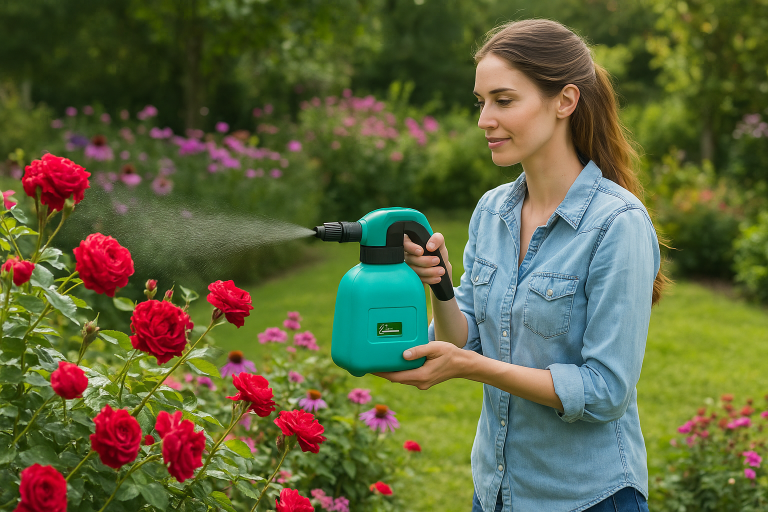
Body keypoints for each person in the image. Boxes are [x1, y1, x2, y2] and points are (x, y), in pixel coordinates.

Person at [373, 18, 671, 512]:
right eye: (481, 101)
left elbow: (605, 391)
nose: (484, 119)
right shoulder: (493, 212)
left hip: (586, 498)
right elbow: (459, 340)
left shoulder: (617, 223)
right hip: (496, 494)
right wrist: (441, 288)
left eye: (503, 100)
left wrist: (474, 368)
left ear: (565, 101)